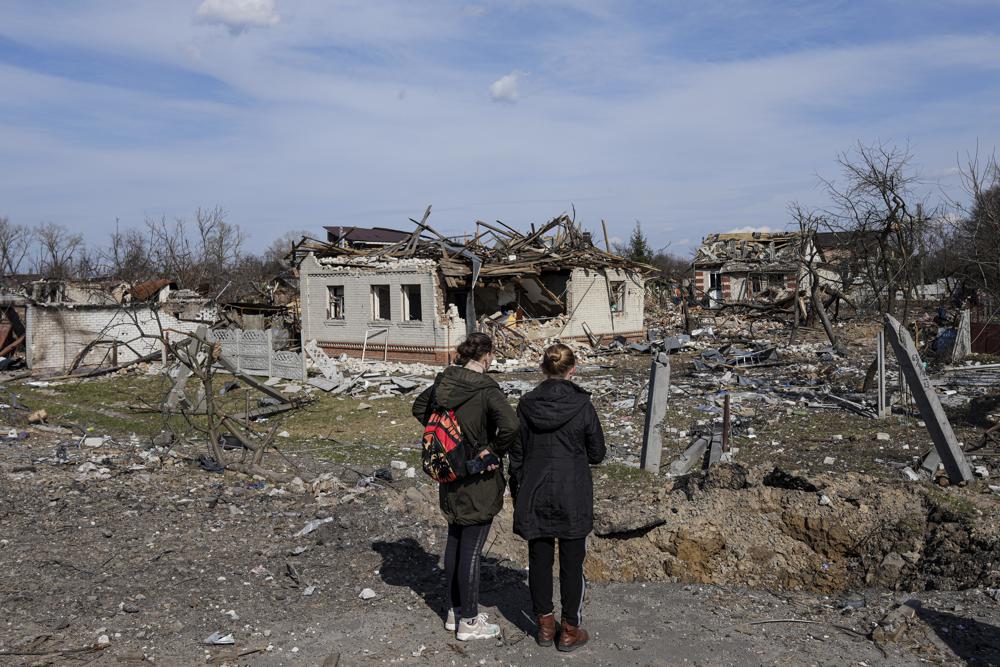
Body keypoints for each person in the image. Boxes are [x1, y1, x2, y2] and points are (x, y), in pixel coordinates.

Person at [412, 332, 519, 641]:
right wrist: (491, 450)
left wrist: (448, 441)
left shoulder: (445, 381)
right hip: (477, 476)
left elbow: (420, 408)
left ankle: (454, 612)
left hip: (449, 474)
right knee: (471, 549)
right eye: (492, 356)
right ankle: (470, 622)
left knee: (456, 541)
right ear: (486, 357)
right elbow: (511, 425)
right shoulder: (487, 389)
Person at [509, 342, 606, 652]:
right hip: (572, 491)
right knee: (572, 563)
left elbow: (517, 453)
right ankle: (569, 629)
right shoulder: (582, 406)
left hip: (535, 491)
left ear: (542, 369)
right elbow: (597, 452)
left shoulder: (526, 405)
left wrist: (518, 486)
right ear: (572, 370)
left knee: (539, 560)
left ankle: (545, 625)